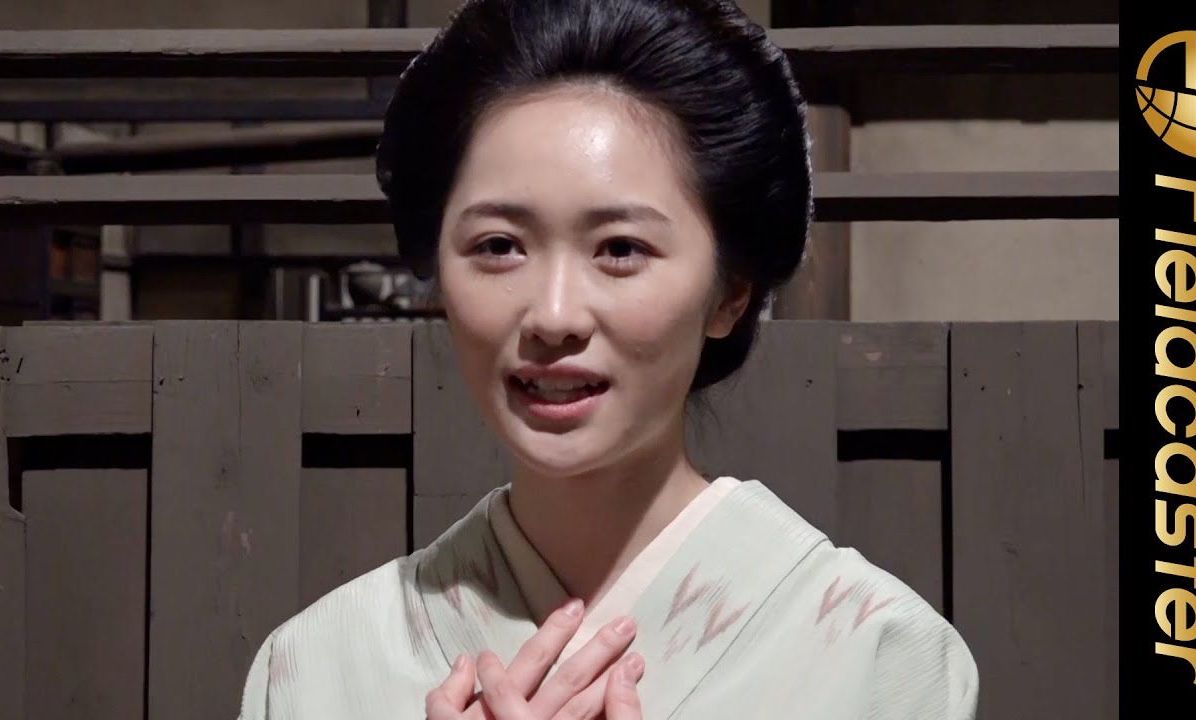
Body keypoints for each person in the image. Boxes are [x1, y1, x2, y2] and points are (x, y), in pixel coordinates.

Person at [238, 0, 979, 717]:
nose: (554, 315)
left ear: (731, 293)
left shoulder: (880, 657)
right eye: (498, 246)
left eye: (621, 249)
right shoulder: (314, 668)